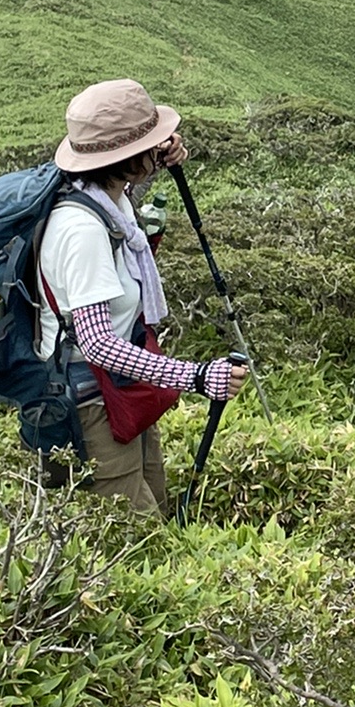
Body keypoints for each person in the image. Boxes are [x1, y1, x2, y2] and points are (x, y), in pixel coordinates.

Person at [38, 78, 247, 514]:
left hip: (118, 388)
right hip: (90, 402)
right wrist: (195, 377)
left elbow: (125, 195)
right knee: (138, 533)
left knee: (159, 501)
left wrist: (155, 164)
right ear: (127, 159)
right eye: (151, 144)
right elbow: (97, 343)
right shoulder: (83, 231)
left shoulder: (103, 198)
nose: (161, 146)